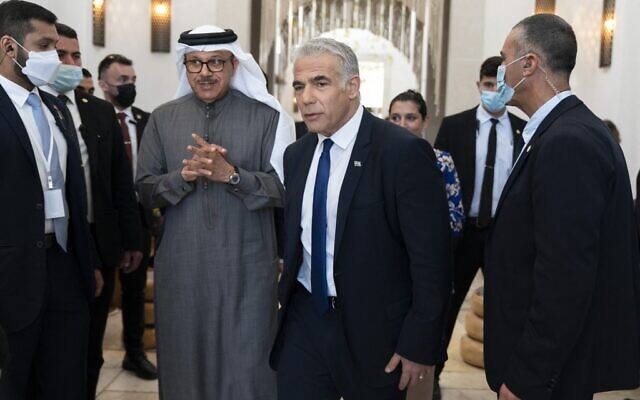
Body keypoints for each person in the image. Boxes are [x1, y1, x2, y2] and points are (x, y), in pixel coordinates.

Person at [271, 37, 452, 400]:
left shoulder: (402, 153)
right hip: (304, 320)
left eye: (320, 83)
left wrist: (419, 343)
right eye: (299, 86)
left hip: (376, 332)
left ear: (353, 87)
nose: (306, 97)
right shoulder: (296, 154)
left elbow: (433, 262)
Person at [485, 13, 640, 399]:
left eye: (504, 59)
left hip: (549, 376)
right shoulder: (563, 130)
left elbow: (565, 275)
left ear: (529, 64)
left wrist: (527, 376)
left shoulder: (567, 141)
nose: (500, 70)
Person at [136, 25, 295, 400]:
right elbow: (144, 189)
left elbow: (285, 190)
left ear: (234, 64)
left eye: (215, 63)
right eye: (195, 63)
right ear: (185, 66)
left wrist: (232, 175)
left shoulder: (268, 118)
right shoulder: (162, 119)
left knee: (249, 361)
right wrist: (183, 176)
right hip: (182, 267)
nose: (205, 72)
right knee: (184, 359)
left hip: (247, 265)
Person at [0, 2, 98, 398]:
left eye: (56, 48)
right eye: (44, 46)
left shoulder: (57, 107)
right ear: (9, 47)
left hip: (63, 267)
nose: (54, 58)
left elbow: (74, 189)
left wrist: (85, 260)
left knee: (64, 383)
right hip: (9, 274)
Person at [45, 23, 145, 399]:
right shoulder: (29, 107)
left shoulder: (99, 111)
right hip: (50, 248)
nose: (70, 63)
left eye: (76, 56)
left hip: (100, 247)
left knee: (90, 351)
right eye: (60, 55)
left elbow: (119, 183)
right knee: (52, 353)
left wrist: (131, 241)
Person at [433, 56, 526, 398]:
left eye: (500, 85)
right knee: (445, 307)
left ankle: (507, 383)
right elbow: (439, 182)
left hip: (504, 234)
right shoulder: (454, 126)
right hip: (462, 234)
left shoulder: (523, 129)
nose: (494, 91)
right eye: (488, 85)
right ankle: (433, 378)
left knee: (506, 312)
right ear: (478, 85)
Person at [97, 53, 158, 383]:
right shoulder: (94, 117)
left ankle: (134, 353)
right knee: (101, 285)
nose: (130, 87)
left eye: (133, 81)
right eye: (123, 82)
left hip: (137, 213)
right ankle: (92, 351)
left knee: (134, 287)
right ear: (105, 85)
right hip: (105, 214)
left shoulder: (146, 120)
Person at [389, 89, 465, 237]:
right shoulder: (376, 159)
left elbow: (456, 219)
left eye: (411, 118)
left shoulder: (442, 161)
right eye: (395, 117)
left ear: (425, 122)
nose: (402, 125)